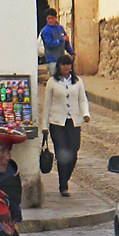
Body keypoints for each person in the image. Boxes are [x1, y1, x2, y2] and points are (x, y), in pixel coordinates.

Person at [42, 55, 91, 197]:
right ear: (59, 66)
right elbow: (47, 104)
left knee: (74, 151)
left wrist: (85, 114)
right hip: (57, 122)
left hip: (73, 122)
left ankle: (65, 177)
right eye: (63, 65)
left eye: (68, 65)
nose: (66, 67)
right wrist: (44, 126)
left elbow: (82, 99)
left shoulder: (78, 82)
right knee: (62, 153)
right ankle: (63, 185)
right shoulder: (52, 82)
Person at [40, 8, 76, 77]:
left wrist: (71, 52)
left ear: (56, 18)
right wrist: (61, 40)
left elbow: (66, 43)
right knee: (55, 79)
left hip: (61, 60)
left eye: (52, 18)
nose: (50, 20)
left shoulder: (60, 28)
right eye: (48, 18)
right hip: (52, 60)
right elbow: (49, 44)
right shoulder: (45, 31)